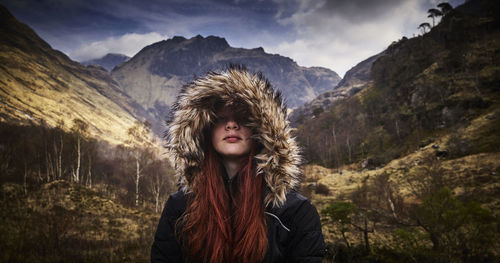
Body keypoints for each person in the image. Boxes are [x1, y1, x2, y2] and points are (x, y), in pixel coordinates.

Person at [151, 66, 325, 263]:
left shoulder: (295, 211)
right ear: (204, 131)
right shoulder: (180, 206)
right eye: (221, 119)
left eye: (242, 118)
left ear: (262, 130)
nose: (231, 125)